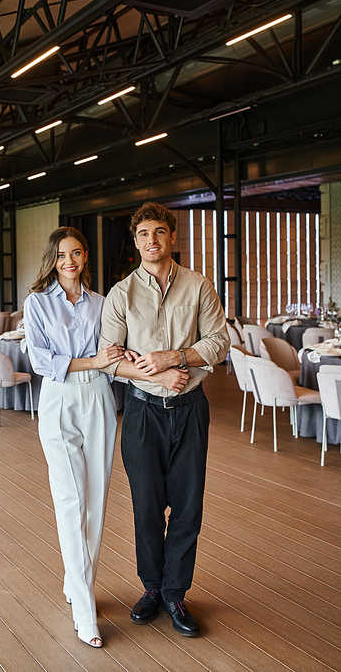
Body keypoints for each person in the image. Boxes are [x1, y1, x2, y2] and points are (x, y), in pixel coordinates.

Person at [99, 201, 229, 637]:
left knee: (188, 508)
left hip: (190, 410)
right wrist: (159, 371)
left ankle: (176, 592)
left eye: (158, 232)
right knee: (147, 508)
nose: (150, 241)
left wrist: (176, 357)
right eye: (142, 234)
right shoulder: (121, 293)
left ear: (172, 237)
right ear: (134, 242)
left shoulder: (199, 287)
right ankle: (152, 587)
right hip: (141, 413)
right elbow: (110, 360)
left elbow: (219, 342)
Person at [24, 226, 123, 648]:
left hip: (99, 398)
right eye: (62, 254)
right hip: (59, 399)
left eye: (77, 253)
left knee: (96, 499)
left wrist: (105, 361)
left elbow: (112, 353)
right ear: (53, 258)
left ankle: (76, 580)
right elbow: (41, 359)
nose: (70, 261)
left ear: (85, 258)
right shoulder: (36, 303)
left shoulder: (102, 303)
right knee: (71, 500)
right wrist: (91, 361)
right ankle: (84, 605)